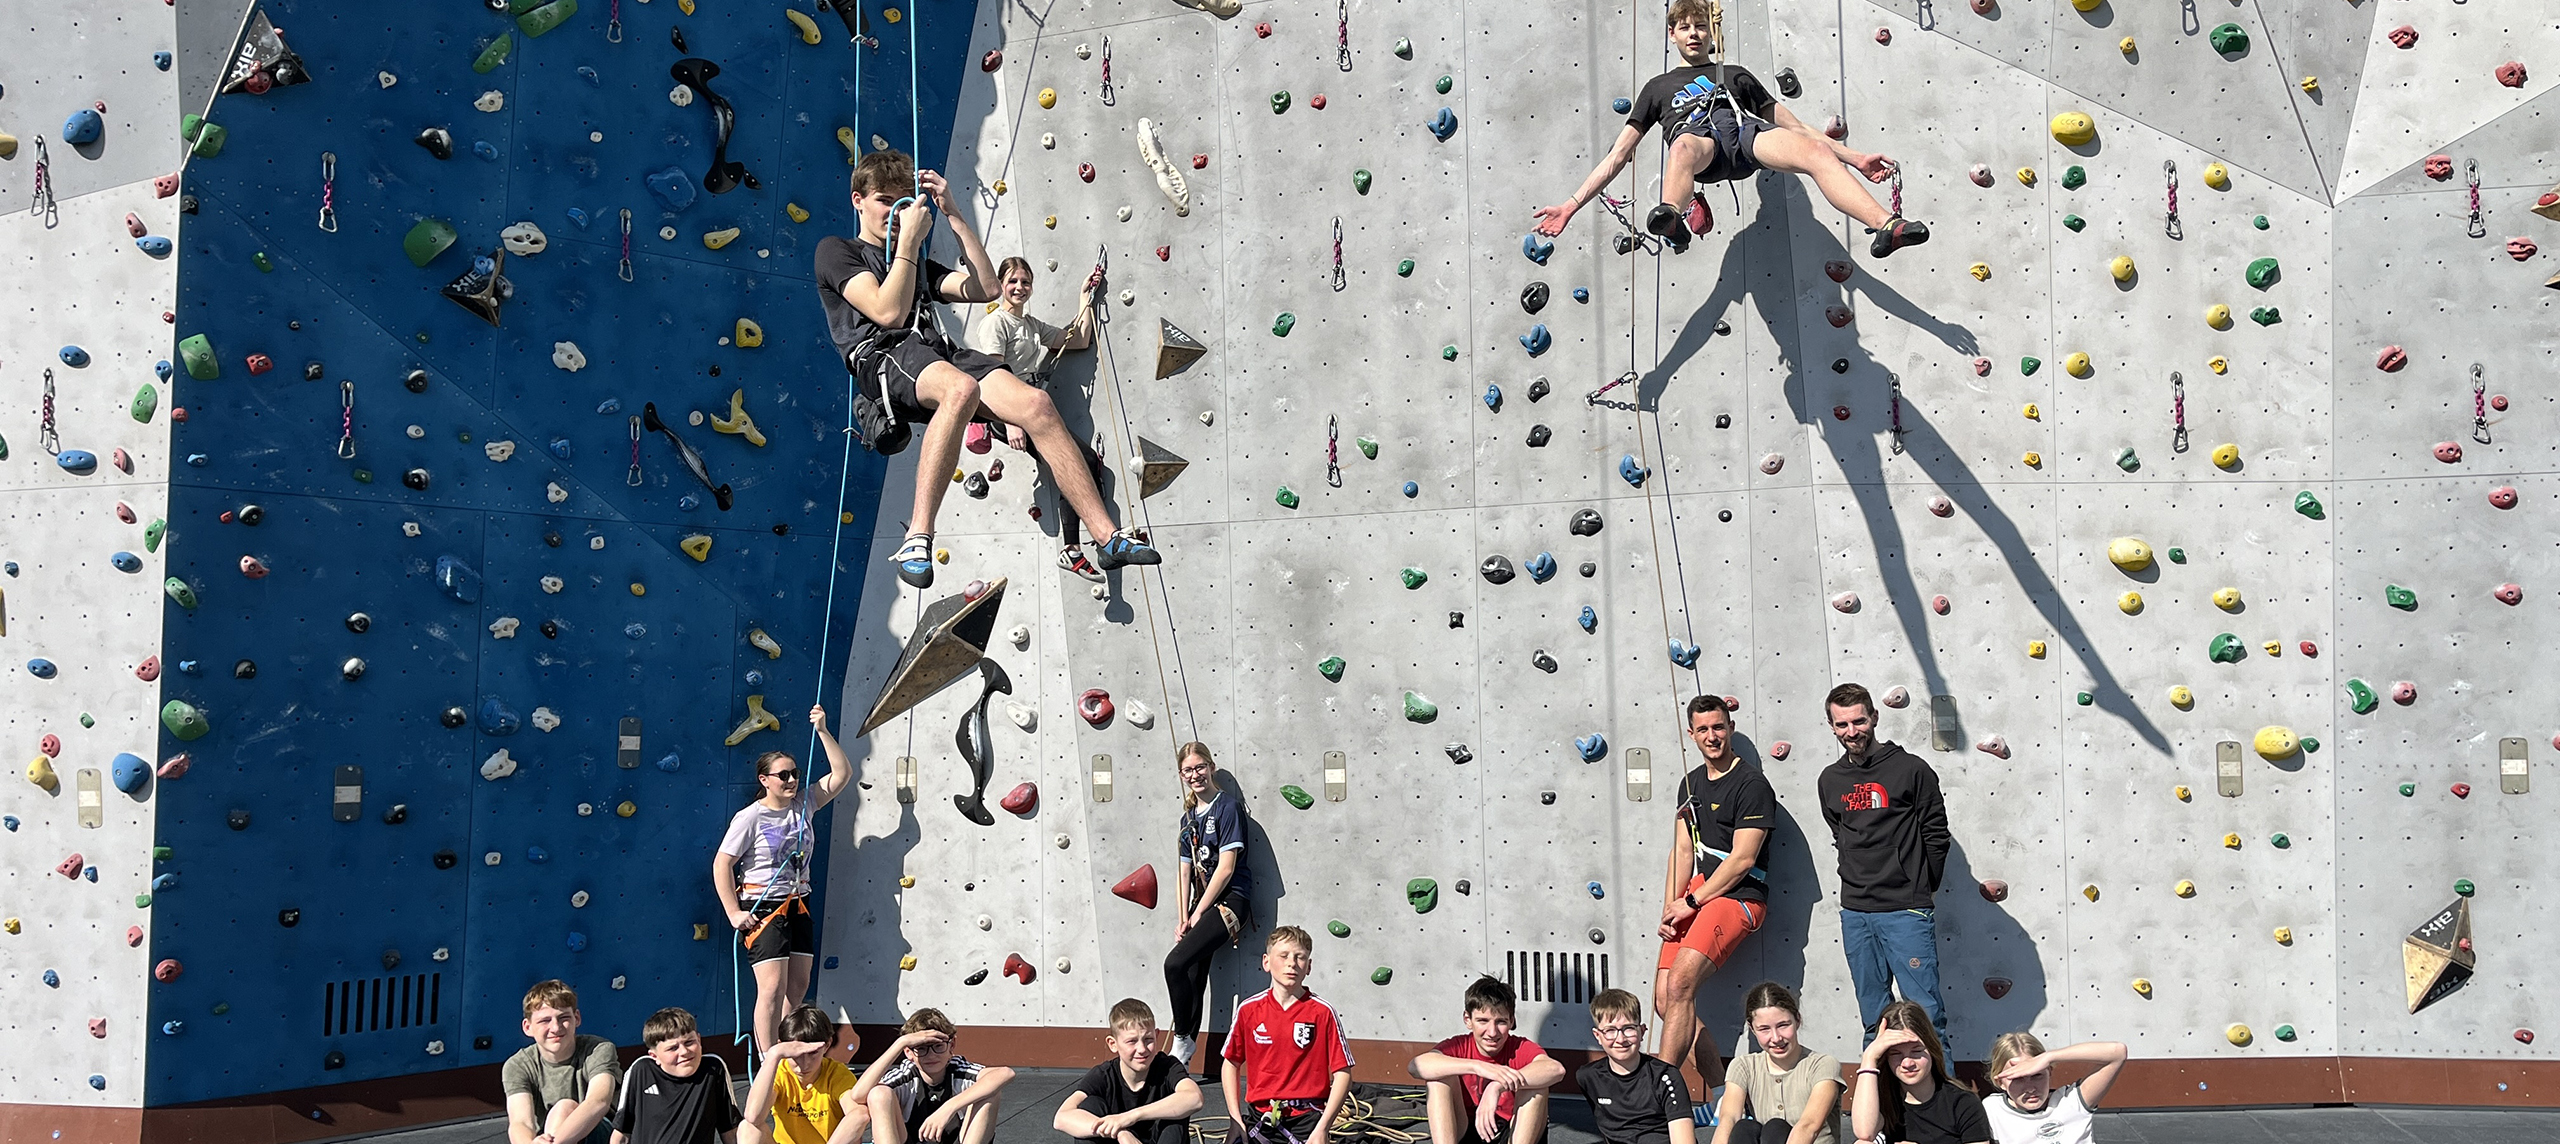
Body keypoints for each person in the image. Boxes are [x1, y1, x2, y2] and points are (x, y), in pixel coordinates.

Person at [815, 149, 1160, 589]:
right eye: (886, 201)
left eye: (905, 202)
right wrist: (908, 247)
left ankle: (1106, 537)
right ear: (857, 200)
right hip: (882, 356)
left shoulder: (913, 261)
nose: (897, 213)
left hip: (933, 353)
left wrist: (953, 213)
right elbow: (887, 312)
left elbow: (986, 287)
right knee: (960, 390)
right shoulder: (837, 251)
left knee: (1036, 404)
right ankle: (918, 537)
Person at [1528, 0, 1927, 258]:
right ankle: (1672, 214)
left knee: (1817, 153)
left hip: (1745, 133)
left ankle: (1887, 225)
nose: (1694, 34)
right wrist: (1571, 206)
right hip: (1701, 147)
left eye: (1700, 27)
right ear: (1673, 35)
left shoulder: (1735, 75)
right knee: (1682, 147)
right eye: (1684, 28)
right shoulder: (1657, 88)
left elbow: (1797, 126)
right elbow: (1618, 156)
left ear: (1710, 33)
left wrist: (1855, 158)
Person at [714, 704, 857, 1053]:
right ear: (764, 780)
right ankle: (767, 1058)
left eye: (794, 773)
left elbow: (842, 774)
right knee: (771, 987)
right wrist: (734, 913)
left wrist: (822, 730)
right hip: (765, 906)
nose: (791, 780)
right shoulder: (750, 818)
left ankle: (792, 1047)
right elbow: (722, 864)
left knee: (798, 987)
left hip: (798, 902)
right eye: (783, 775)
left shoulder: (805, 803)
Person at [1816, 683, 1951, 1045]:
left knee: (1926, 1017)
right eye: (1842, 724)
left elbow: (1936, 834)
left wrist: (1921, 885)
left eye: (1859, 721)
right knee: (1874, 1020)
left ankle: (1944, 1101)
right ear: (1831, 726)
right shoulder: (1830, 780)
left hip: (1905, 910)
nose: (1851, 732)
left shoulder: (1911, 770)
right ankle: (1879, 1101)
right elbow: (1840, 833)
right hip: (1856, 912)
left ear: (1874, 718)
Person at [962, 256, 1112, 583]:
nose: (1019, 287)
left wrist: (1086, 299)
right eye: (1013, 281)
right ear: (1001, 285)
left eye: (1025, 282)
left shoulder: (1030, 325)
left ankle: (1077, 547)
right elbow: (992, 376)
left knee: (1077, 461)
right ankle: (1074, 548)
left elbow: (1078, 340)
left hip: (1027, 406)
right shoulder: (996, 324)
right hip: (1007, 409)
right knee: (1075, 462)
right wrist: (1012, 421)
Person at [1655, 694, 1776, 1095]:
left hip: (1738, 897)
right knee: (1664, 998)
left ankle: (1656, 1094)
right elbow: (1683, 850)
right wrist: (1670, 907)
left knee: (1681, 985)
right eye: (1703, 729)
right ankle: (1725, 1091)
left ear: (1731, 729)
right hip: (1696, 896)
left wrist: (1690, 902)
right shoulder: (1689, 784)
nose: (1712, 736)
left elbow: (1742, 860)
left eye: (1718, 727)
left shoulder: (1752, 784)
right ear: (1691, 734)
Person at [1219, 927, 1354, 1144]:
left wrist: (1323, 1129)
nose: (1291, 963)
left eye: (1300, 957)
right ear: (1266, 962)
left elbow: (1343, 1073)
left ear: (1308, 966)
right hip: (1260, 1117)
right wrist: (1235, 1119)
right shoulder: (1248, 1010)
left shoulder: (1323, 1012)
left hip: (1307, 1119)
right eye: (1283, 956)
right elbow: (1230, 1063)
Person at [1164, 741, 1253, 1071]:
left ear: (1211, 767)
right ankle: (1184, 1056)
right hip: (1201, 905)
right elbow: (1183, 870)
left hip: (1231, 902)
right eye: (1188, 770)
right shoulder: (1188, 818)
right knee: (1193, 972)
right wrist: (1183, 916)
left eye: (1200, 767)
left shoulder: (1227, 807)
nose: (1195, 774)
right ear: (1181, 775)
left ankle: (1182, 1038)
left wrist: (1199, 912)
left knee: (1173, 964)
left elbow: (1226, 867)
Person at [1409, 976, 1566, 1144]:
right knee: (1438, 1078)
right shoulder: (1459, 1045)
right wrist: (1477, 1067)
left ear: (1511, 1021)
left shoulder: (1519, 1047)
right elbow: (1416, 1066)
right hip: (1467, 1130)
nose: (1492, 1032)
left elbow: (1556, 1069)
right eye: (1483, 1021)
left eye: (1501, 1022)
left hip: (1512, 1132)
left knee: (1537, 1088)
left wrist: (1497, 1086)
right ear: (1468, 1020)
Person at [852, 1008, 1017, 1144]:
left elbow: (1005, 1073)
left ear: (951, 1045)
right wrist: (900, 1043)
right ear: (909, 1052)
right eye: (921, 1048)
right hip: (908, 1139)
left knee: (991, 1092)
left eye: (938, 1046)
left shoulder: (958, 1069)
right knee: (878, 1094)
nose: (931, 1055)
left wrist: (948, 1108)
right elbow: (859, 1094)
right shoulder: (906, 1075)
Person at [1054, 998, 1205, 1144]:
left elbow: (1195, 1098)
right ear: (1113, 1044)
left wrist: (1131, 1116)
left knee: (1177, 1111)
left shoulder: (1168, 1067)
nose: (1142, 1049)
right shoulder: (1104, 1075)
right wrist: (1121, 1132)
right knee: (1090, 1106)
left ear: (1157, 1035)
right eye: (1132, 1041)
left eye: (1148, 1040)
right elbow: (1062, 1117)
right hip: (1118, 1140)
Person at [1709, 983, 1841, 1144]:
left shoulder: (1823, 1065)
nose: (1776, 1038)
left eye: (1783, 1025)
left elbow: (1809, 1126)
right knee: (1744, 1128)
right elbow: (1728, 1119)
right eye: (1764, 1029)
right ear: (1752, 1029)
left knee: (1775, 1128)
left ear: (1798, 1020)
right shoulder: (1744, 1066)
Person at [1848, 1002, 1985, 1144]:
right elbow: (1864, 1133)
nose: (1907, 1063)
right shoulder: (1882, 1098)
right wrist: (1869, 1057)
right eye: (1895, 1053)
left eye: (1916, 1051)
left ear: (1931, 1049)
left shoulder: (1962, 1101)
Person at [503, 980, 619, 1144]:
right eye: (545, 1021)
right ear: (527, 1027)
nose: (556, 1028)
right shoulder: (518, 1065)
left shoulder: (598, 1050)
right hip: (547, 1137)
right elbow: (521, 1122)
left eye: (563, 1018)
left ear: (576, 1018)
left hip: (603, 1134)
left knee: (564, 1108)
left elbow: (598, 1102)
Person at [1574, 988, 1695, 1144]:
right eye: (1610, 1030)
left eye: (1629, 1028)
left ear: (1642, 1031)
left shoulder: (1665, 1077)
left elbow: (1683, 1140)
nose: (1620, 1039)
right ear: (1598, 1036)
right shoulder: (1588, 1077)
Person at [610, 1008, 741, 1144]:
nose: (684, 1052)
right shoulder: (641, 1070)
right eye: (673, 1048)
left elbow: (730, 1130)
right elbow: (622, 1134)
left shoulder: (713, 1069)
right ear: (654, 1056)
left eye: (689, 1042)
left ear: (699, 1040)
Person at [739, 1005, 862, 1144]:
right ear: (783, 1048)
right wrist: (773, 1056)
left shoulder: (836, 1074)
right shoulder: (779, 1072)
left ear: (827, 1045)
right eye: (795, 1055)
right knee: (747, 1128)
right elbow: (753, 1116)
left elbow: (859, 1115)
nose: (804, 1064)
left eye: (813, 1054)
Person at [1980, 1035, 2125, 1144]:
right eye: (2018, 1079)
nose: (2030, 1088)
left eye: (2037, 1075)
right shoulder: (1991, 1110)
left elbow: (2118, 1053)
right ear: (2000, 1082)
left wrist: (2050, 1056)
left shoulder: (2071, 1101)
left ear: (2049, 1071)